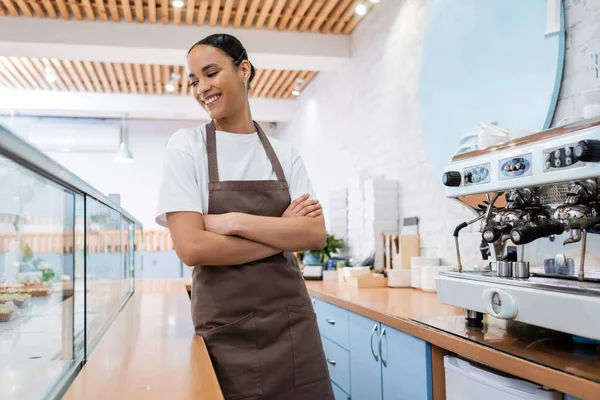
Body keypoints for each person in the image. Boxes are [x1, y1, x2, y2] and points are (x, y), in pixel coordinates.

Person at [155, 34, 335, 400]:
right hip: (225, 333)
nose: (201, 88)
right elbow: (191, 247)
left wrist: (233, 221)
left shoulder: (286, 154)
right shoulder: (186, 146)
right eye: (193, 80)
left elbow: (315, 234)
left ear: (243, 70)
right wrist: (282, 232)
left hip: (292, 326)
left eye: (210, 73)